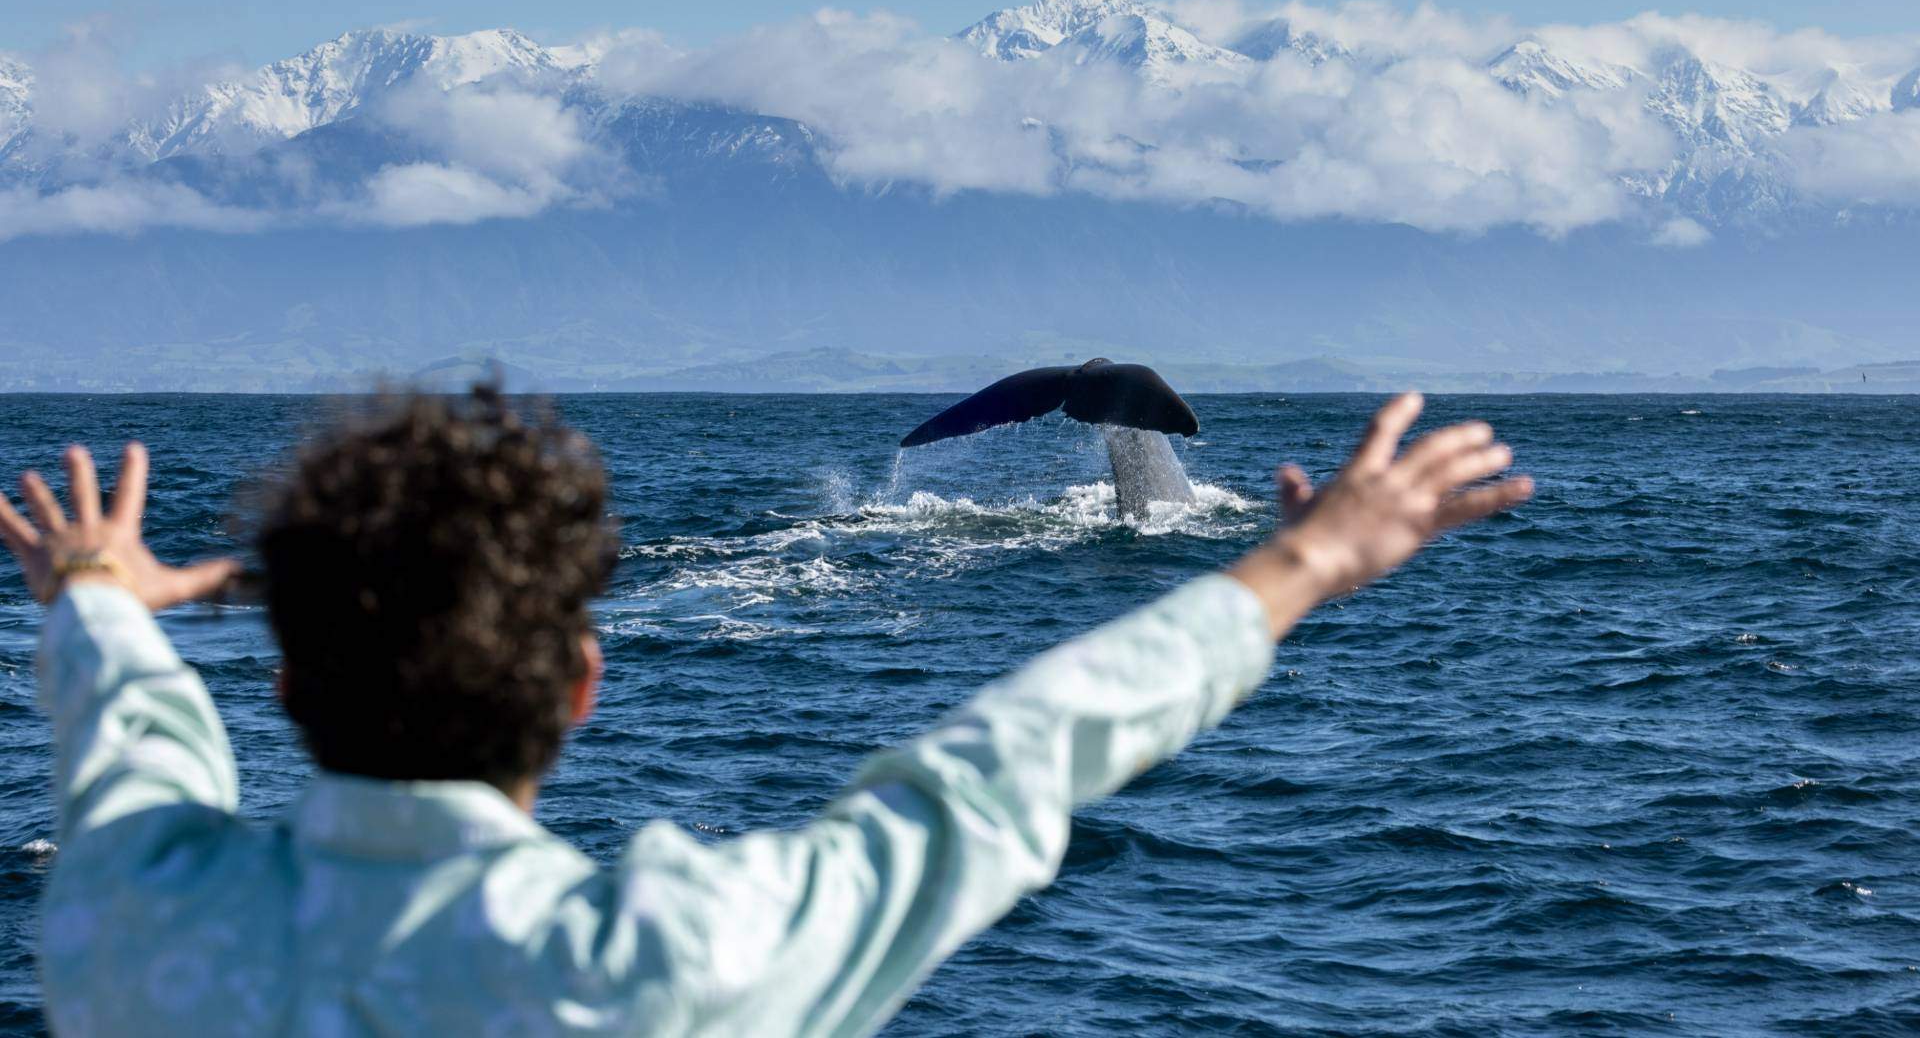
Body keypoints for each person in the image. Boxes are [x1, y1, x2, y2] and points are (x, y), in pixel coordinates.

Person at [1, 388, 1530, 1036]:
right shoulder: (662, 965)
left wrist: (101, 593)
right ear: (581, 684)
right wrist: (1308, 562)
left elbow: (134, 746)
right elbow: (998, 766)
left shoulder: (130, 920)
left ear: (281, 685)